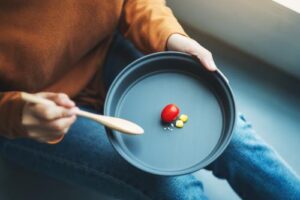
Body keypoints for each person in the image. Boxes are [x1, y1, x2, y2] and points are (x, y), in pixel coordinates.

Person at [0, 0, 299, 199]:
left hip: (105, 52)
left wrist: (170, 37)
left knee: (233, 137)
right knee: (172, 184)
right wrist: (14, 114)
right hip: (25, 112)